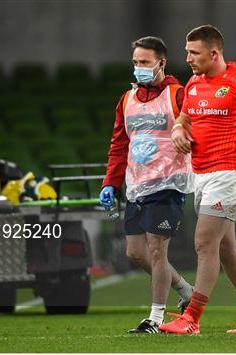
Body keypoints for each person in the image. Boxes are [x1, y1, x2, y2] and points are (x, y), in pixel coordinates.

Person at [159, 25, 236, 335]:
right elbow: (184, 119)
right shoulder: (193, 84)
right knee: (225, 248)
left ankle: (191, 318)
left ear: (214, 53)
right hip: (200, 174)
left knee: (204, 242)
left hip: (228, 174)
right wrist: (178, 131)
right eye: (187, 51)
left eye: (194, 53)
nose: (187, 58)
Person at [99, 36, 194, 334]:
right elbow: (119, 145)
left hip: (169, 182)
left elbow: (196, 130)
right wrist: (110, 183)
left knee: (156, 251)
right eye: (136, 63)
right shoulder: (126, 100)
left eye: (145, 62)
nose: (139, 68)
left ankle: (155, 319)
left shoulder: (179, 95)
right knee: (135, 252)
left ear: (161, 63)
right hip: (137, 184)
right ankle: (185, 290)